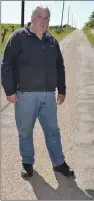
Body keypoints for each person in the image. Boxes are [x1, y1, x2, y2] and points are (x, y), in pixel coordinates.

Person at [1, 5, 74, 178]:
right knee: (25, 130)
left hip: (48, 95)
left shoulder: (52, 41)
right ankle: (27, 163)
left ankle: (58, 163)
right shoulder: (18, 37)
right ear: (32, 19)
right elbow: (6, 65)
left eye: (47, 18)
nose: (44, 21)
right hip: (25, 95)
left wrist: (62, 89)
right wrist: (9, 91)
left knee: (52, 130)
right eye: (40, 17)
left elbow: (59, 67)